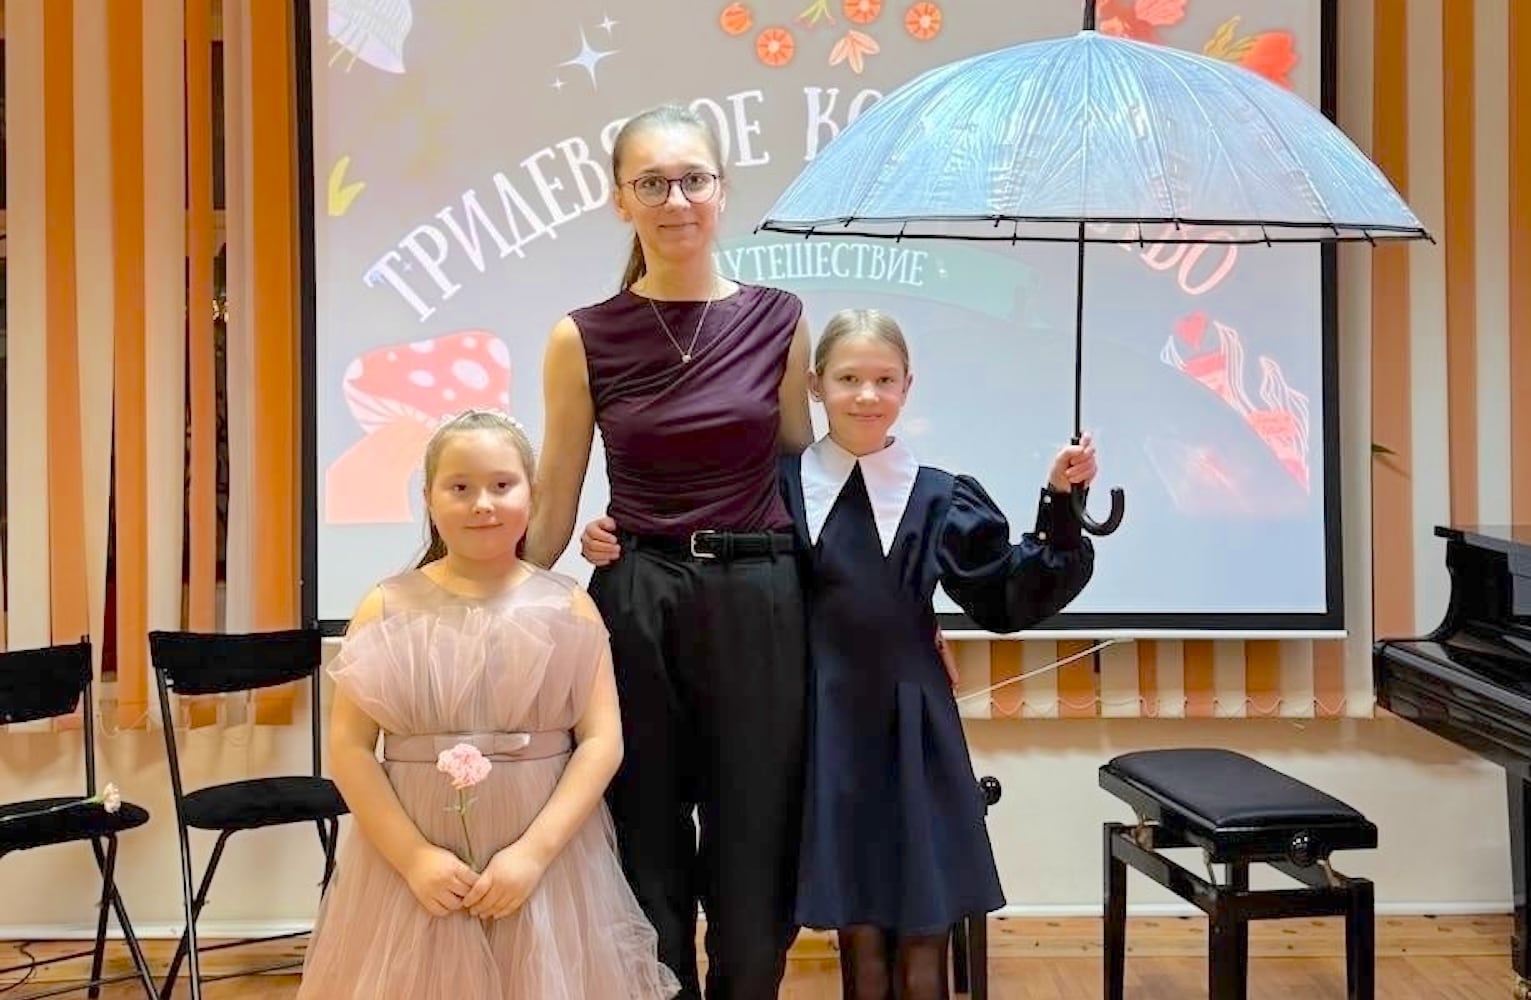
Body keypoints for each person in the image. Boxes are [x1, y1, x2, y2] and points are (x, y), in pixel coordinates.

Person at [526, 102, 814, 1000]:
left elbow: (808, 473)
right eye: (651, 183)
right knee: (643, 829)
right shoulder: (582, 335)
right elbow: (556, 497)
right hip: (637, 596)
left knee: (755, 831)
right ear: (621, 200)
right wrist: (475, 604)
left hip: (761, 597)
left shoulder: (781, 319)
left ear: (723, 192)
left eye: (693, 179)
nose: (675, 199)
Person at [297, 410, 678, 1000]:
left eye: (502, 485)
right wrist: (414, 858)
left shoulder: (568, 606)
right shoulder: (385, 607)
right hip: (414, 865)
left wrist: (532, 855)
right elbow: (349, 748)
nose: (483, 504)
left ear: (531, 494)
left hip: (547, 864)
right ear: (428, 498)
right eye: (459, 487)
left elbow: (602, 741)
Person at [786, 308, 1096, 998]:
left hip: (914, 721)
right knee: (858, 929)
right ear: (815, 385)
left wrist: (1060, 501)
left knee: (925, 925)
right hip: (822, 720)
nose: (867, 395)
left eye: (884, 379)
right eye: (848, 379)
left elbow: (1006, 595)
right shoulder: (780, 488)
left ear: (908, 386)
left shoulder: (939, 495)